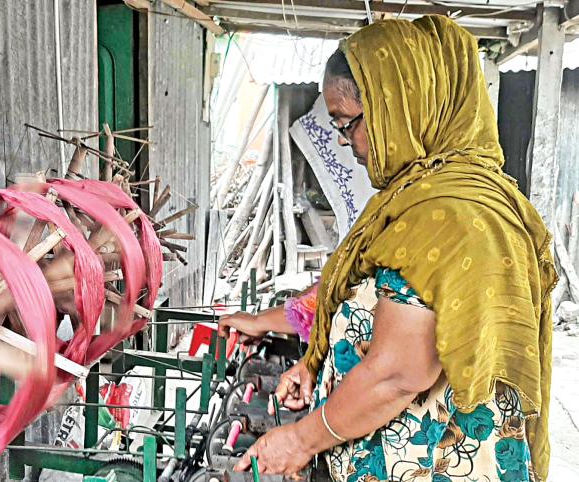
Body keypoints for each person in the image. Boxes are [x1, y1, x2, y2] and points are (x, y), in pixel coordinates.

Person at [219, 16, 555, 482]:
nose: (344, 140)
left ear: (401, 106)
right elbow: (370, 298)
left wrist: (300, 440)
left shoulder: (451, 217)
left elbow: (398, 374)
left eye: (348, 123)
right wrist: (319, 364)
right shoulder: (415, 199)